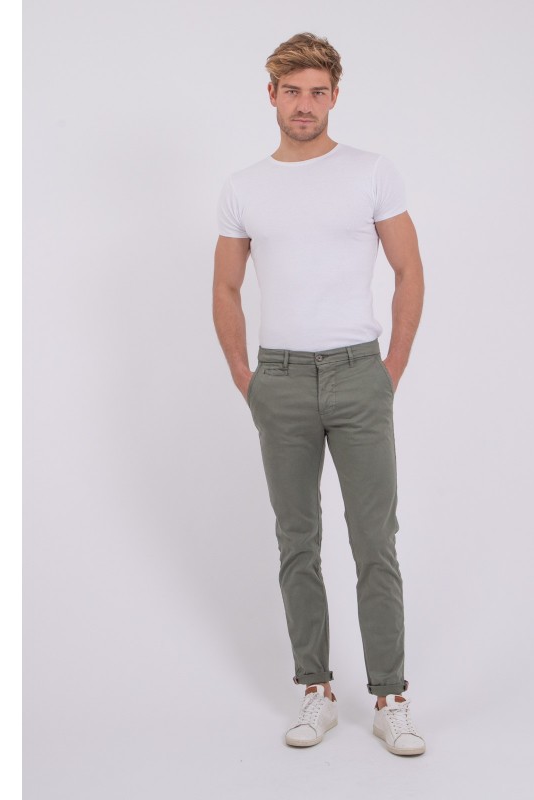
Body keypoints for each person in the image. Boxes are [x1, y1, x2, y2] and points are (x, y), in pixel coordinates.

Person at [212, 32, 426, 756]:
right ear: (271, 94)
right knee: (296, 541)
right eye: (293, 91)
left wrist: (390, 368)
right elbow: (225, 286)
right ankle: (316, 690)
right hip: (279, 379)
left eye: (318, 92)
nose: (305, 105)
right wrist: (246, 378)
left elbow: (410, 270)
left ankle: (391, 696)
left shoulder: (370, 172)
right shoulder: (243, 187)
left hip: (359, 375)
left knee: (375, 541)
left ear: (335, 96)